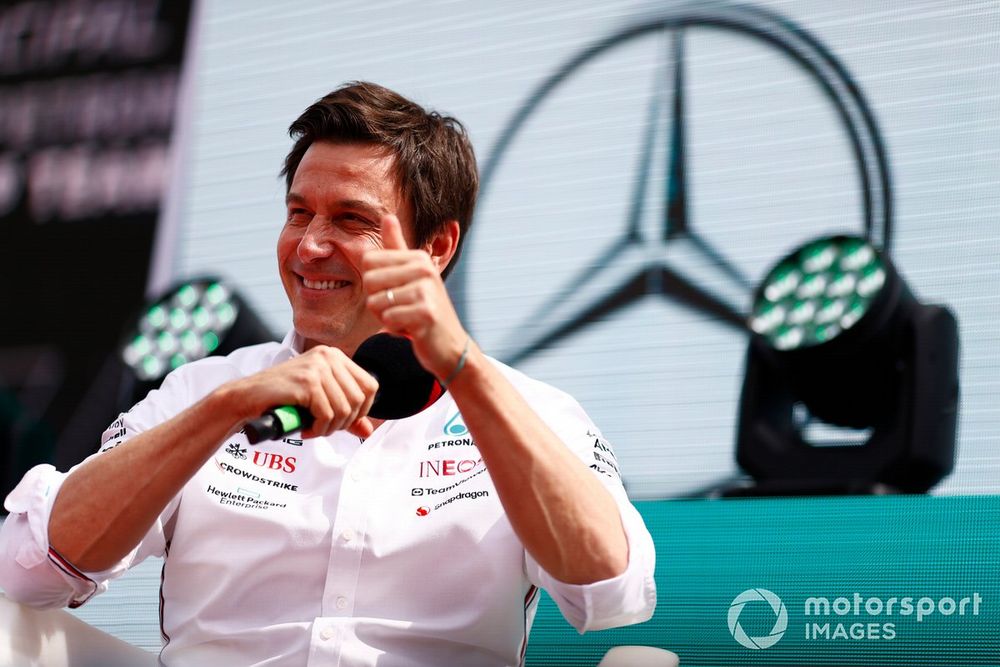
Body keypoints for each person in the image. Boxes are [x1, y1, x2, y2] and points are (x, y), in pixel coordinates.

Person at [0, 82, 656, 666]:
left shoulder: (531, 410)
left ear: (435, 247)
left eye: (350, 219)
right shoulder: (205, 390)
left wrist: (466, 372)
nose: (309, 245)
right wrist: (226, 409)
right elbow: (28, 572)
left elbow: (613, 592)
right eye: (298, 212)